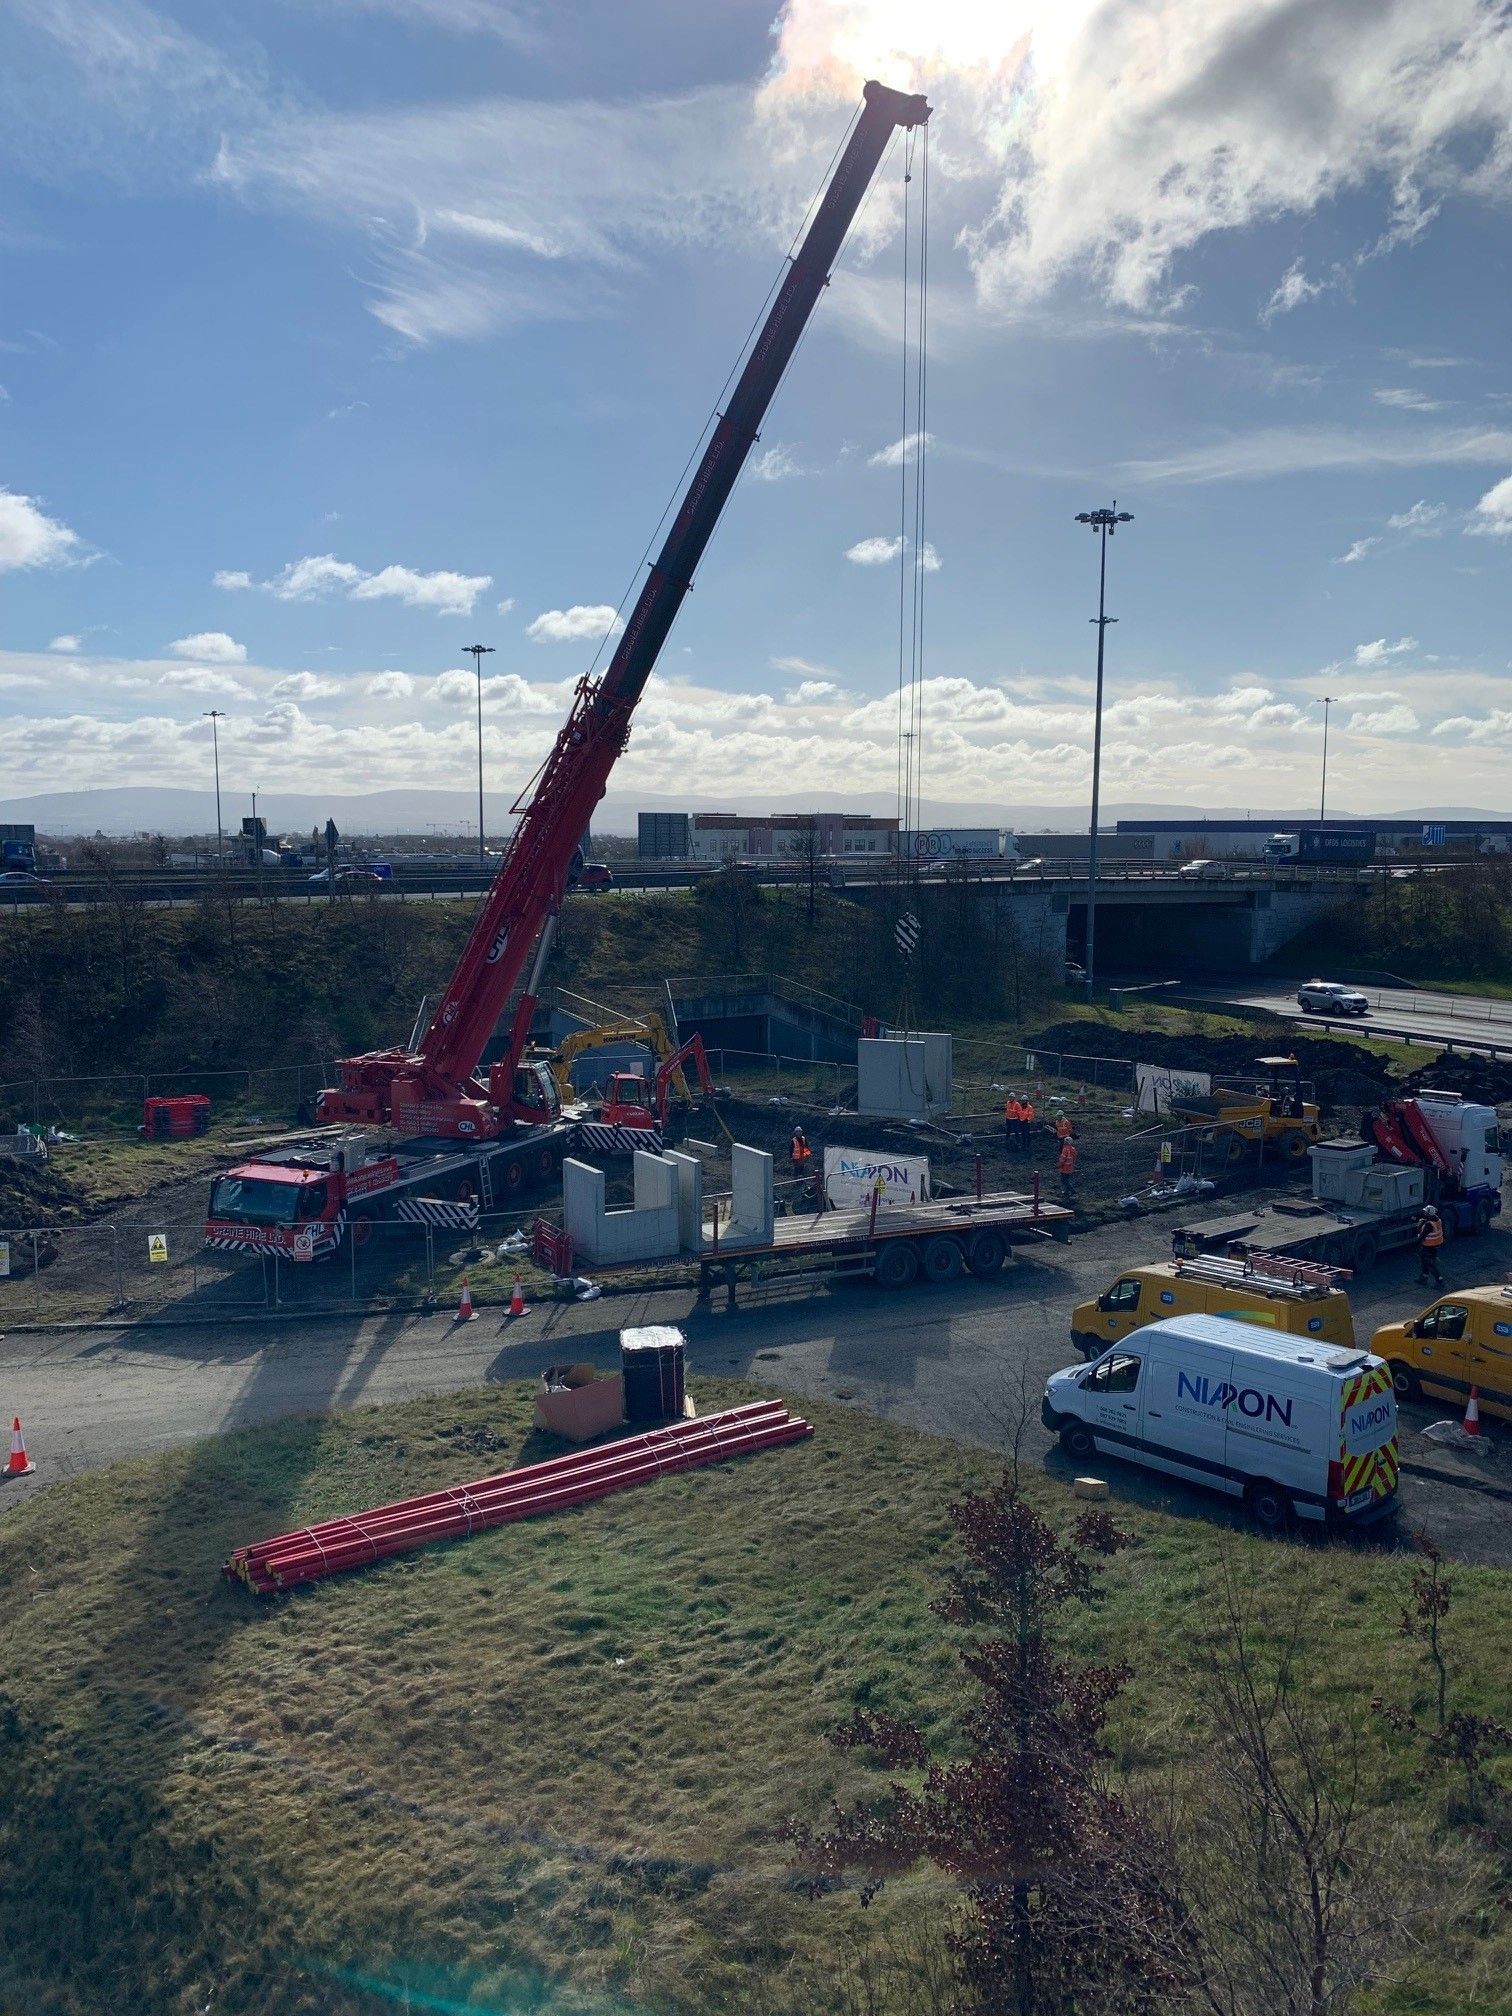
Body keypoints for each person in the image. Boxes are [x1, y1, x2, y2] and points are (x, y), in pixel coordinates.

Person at [1415, 1203, 1445, 1287]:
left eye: (1426, 1213)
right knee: (1425, 1262)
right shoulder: (1438, 1220)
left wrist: (1416, 1244)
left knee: (1430, 1264)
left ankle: (1439, 1281)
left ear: (1428, 1214)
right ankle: (1424, 1278)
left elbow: (1422, 1236)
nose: (1424, 1214)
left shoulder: (1429, 1225)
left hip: (1428, 1247)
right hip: (1435, 1246)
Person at [1058, 1134, 1078, 1202]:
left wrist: (1060, 1165)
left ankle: (1072, 1190)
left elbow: (1062, 1159)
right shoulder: (1072, 1149)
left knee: (1063, 1180)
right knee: (1067, 1179)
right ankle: (1067, 1191)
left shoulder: (1065, 1150)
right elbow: (1074, 1157)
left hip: (1065, 1168)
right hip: (1070, 1167)